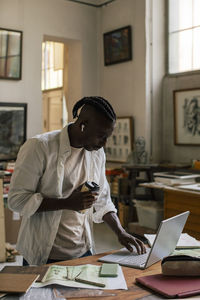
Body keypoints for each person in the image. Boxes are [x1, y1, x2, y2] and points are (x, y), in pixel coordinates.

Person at [8, 96, 146, 265]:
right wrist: (66, 203)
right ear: (83, 125)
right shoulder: (39, 147)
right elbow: (17, 200)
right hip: (43, 254)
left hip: (83, 251)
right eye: (101, 136)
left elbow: (102, 200)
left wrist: (120, 232)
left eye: (107, 137)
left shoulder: (97, 153)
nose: (104, 144)